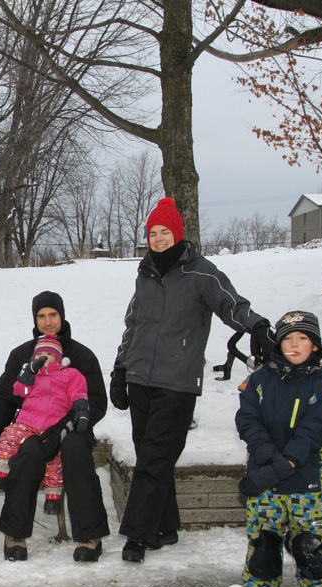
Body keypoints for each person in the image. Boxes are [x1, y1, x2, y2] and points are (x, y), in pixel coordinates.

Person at [110, 197, 277, 563]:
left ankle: (137, 535)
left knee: (154, 458)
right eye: (152, 233)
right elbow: (133, 325)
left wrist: (258, 326)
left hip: (177, 381)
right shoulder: (145, 274)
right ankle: (165, 527)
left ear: (178, 234)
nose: (158, 239)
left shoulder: (202, 272)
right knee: (152, 456)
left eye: (164, 232)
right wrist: (120, 369)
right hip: (140, 378)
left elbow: (232, 305)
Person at [0, 291, 109, 563]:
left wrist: (65, 427)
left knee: (75, 452)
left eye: (53, 315)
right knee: (27, 455)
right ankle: (15, 534)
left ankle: (90, 536)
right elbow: (3, 397)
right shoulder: (23, 355)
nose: (48, 321)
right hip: (33, 427)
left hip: (73, 428)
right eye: (41, 316)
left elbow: (97, 401)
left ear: (62, 316)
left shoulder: (81, 355)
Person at [235, 311, 322, 587]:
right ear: (279, 344)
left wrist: (287, 462)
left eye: (303, 338)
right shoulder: (259, 380)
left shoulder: (321, 385)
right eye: (288, 339)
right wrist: (267, 455)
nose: (294, 344)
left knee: (309, 539)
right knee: (264, 536)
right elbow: (248, 419)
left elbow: (316, 430)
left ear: (315, 346)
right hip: (263, 472)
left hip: (303, 474)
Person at [0, 336, 89, 516]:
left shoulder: (71, 374)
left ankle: (53, 496)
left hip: (53, 425)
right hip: (28, 422)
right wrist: (28, 374)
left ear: (58, 357)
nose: (43, 357)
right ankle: (1, 471)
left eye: (48, 354)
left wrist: (82, 412)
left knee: (54, 460)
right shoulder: (31, 373)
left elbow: (78, 395)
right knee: (9, 435)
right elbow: (20, 391)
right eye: (39, 354)